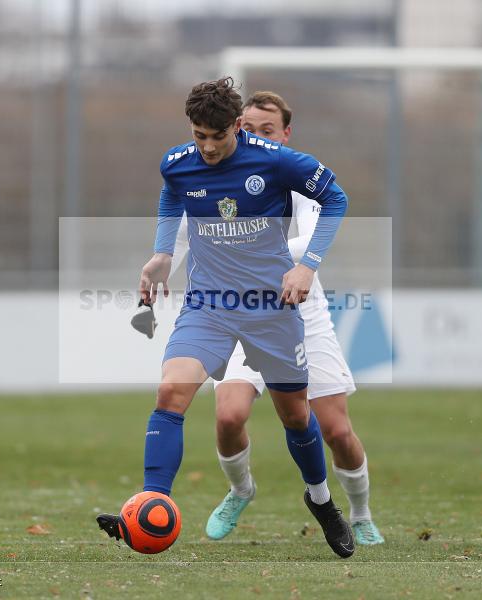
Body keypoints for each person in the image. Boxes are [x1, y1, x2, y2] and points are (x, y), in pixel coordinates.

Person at [98, 76, 354, 558]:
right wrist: (160, 254)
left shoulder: (275, 161)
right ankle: (154, 504)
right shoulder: (178, 163)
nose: (209, 147)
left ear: (236, 126)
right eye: (200, 136)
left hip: (270, 308)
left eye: (219, 136)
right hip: (209, 304)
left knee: (296, 415)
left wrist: (307, 265)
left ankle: (321, 501)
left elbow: (336, 199)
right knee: (171, 391)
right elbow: (173, 193)